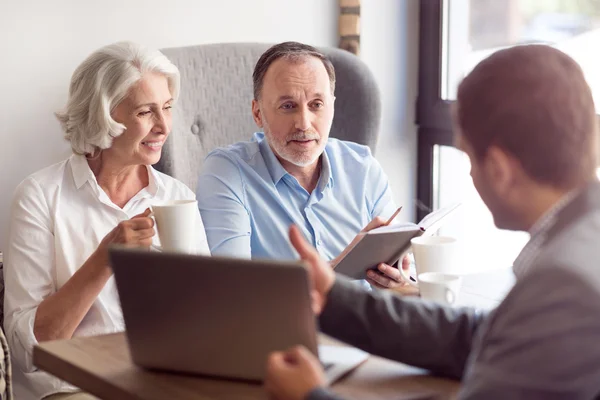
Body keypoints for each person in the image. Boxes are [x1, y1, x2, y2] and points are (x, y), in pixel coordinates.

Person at [264, 45, 600, 400]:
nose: (470, 172)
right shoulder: (581, 240)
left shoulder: (564, 282)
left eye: (468, 157)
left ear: (500, 170)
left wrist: (310, 397)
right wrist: (333, 295)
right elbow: (477, 336)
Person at [4, 41, 210, 400]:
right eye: (146, 112)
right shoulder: (39, 196)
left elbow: (211, 315)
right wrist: (105, 258)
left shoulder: (178, 198)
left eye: (167, 108)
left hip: (160, 381)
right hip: (73, 387)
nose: (164, 126)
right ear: (103, 116)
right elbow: (27, 351)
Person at [197, 41, 407, 290]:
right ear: (257, 113)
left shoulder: (363, 167)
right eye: (288, 106)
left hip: (367, 324)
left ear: (332, 107)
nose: (304, 124)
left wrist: (398, 281)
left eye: (316, 105)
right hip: (281, 328)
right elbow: (233, 290)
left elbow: (405, 279)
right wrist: (345, 263)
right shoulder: (226, 172)